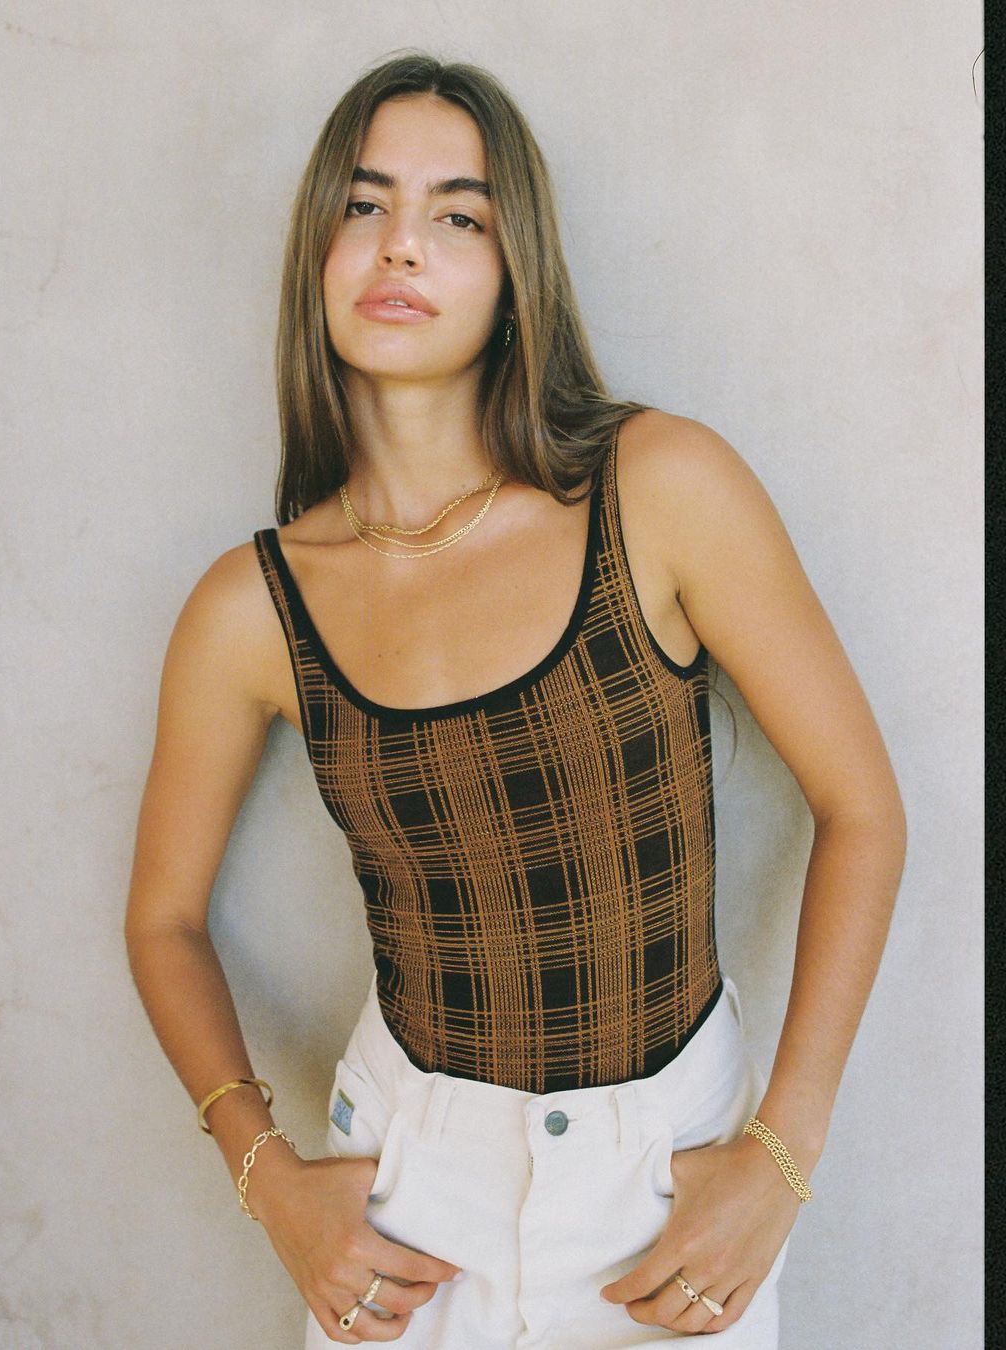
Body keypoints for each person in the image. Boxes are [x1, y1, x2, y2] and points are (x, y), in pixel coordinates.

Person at [124, 53, 907, 1348]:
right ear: (318, 249)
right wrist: (270, 1183)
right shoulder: (251, 607)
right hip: (408, 1198)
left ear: (516, 269)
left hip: (671, 1187)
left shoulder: (658, 489)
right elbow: (162, 920)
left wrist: (783, 1151)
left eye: (458, 215)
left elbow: (863, 808)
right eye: (364, 204)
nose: (402, 243)